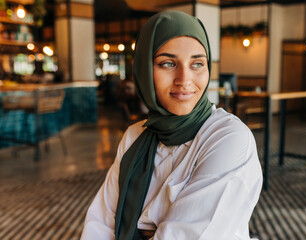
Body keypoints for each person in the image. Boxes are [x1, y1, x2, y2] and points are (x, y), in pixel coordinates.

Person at [81, 11, 262, 240]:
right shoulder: (135, 136)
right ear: (144, 70)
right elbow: (101, 224)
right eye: (168, 63)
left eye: (197, 64)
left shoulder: (229, 138)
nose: (184, 79)